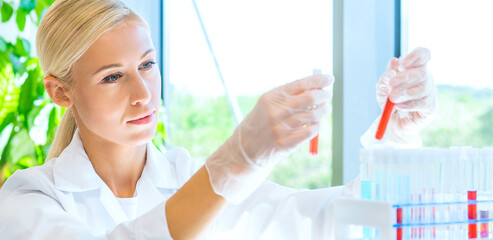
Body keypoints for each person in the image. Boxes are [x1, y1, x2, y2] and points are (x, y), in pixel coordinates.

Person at [0, 0, 437, 239]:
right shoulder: (29, 200)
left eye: (147, 65)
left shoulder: (185, 176)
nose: (142, 95)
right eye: (112, 77)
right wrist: (233, 163)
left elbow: (334, 221)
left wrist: (396, 139)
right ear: (60, 91)